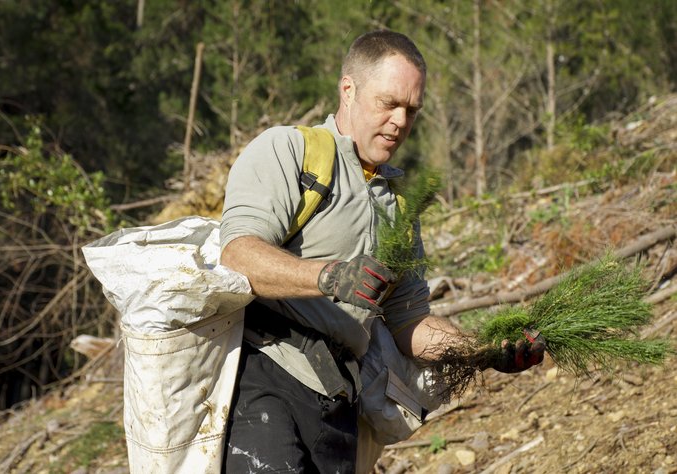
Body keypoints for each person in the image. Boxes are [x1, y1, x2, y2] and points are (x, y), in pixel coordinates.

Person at [219, 30, 545, 473]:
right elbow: (238, 255)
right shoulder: (290, 151)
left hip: (339, 401)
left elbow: (409, 322)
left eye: (411, 110)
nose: (399, 121)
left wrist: (485, 350)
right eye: (388, 103)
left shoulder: (397, 205)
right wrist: (330, 276)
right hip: (266, 377)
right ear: (348, 90)